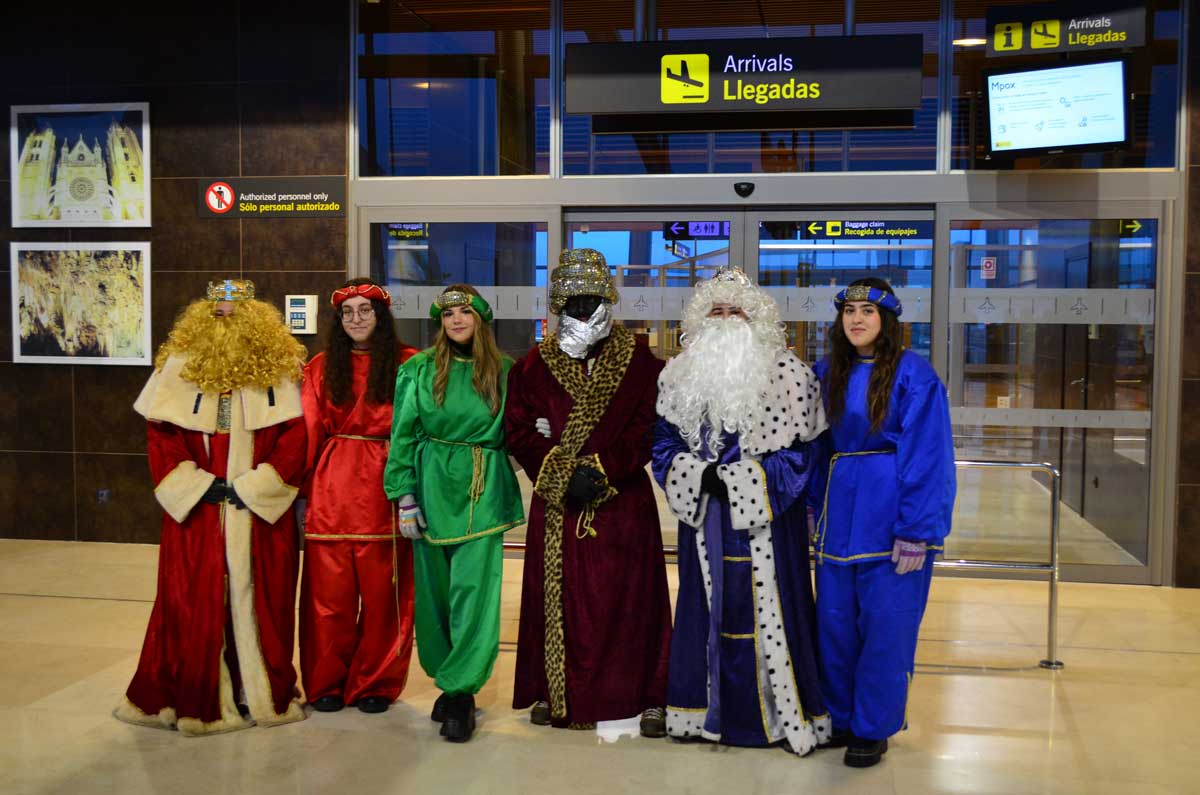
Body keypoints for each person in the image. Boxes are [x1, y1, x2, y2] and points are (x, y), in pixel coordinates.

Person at [115, 279, 309, 736]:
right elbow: (161, 437)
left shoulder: (278, 371)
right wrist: (196, 486)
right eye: (218, 313)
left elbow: (293, 440)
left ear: (256, 322)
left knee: (266, 603)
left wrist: (256, 487)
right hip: (197, 513)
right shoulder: (175, 368)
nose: (226, 321)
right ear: (202, 318)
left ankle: (256, 691)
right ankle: (195, 693)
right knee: (189, 602)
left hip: (259, 517)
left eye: (235, 314)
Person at [652, 266, 830, 756]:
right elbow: (664, 444)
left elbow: (801, 456)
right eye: (717, 311)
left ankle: (777, 716)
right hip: (705, 520)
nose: (727, 320)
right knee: (704, 610)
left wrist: (741, 481)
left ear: (758, 321)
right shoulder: (678, 375)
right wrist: (698, 475)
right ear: (700, 320)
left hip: (771, 525)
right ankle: (700, 712)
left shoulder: (791, 375)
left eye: (737, 311)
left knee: (777, 612)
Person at [505, 248, 672, 734]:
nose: (583, 311)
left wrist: (602, 469)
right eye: (573, 302)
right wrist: (560, 470)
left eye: (592, 300)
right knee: (560, 602)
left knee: (632, 602)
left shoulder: (642, 364)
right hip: (559, 502)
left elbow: (649, 429)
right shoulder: (533, 366)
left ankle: (646, 695)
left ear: (608, 299)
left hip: (621, 501)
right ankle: (557, 689)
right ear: (558, 306)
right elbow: (517, 430)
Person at [809, 277, 956, 768]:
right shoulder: (827, 370)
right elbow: (815, 445)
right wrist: (812, 504)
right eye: (849, 310)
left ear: (886, 320)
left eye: (867, 312)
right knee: (833, 623)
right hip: (837, 515)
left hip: (891, 514)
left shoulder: (914, 375)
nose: (856, 319)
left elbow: (928, 455)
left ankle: (873, 726)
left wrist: (917, 528)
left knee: (886, 626)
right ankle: (842, 716)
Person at [384, 284, 524, 743]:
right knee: (434, 596)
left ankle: (461, 693)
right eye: (448, 315)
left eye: (465, 312)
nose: (457, 320)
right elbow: (403, 433)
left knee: (473, 595)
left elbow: (518, 430)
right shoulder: (419, 369)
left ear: (480, 318)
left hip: (483, 492)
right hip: (430, 489)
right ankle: (446, 674)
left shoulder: (503, 371)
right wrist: (404, 494)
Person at [299, 278, 420, 715]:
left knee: (384, 598)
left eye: (365, 311)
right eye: (347, 313)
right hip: (332, 491)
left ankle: (375, 682)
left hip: (388, 491)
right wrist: (298, 491)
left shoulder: (411, 364)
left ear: (381, 316)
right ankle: (325, 681)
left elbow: (420, 430)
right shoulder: (320, 366)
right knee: (327, 600)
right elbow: (309, 431)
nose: (356, 319)